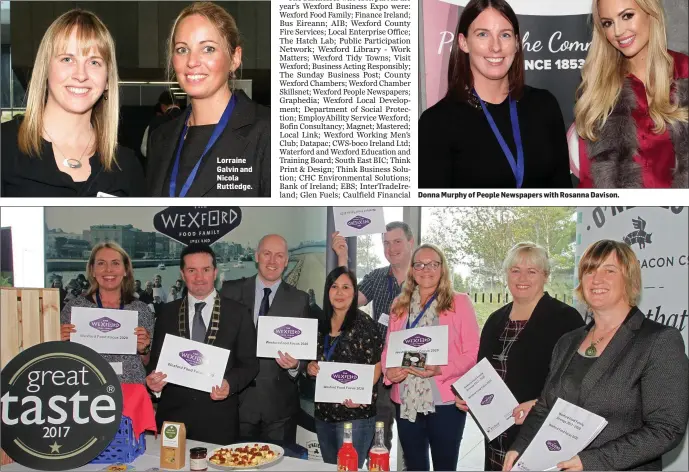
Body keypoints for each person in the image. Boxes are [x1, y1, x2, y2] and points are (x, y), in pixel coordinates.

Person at [504, 240, 689, 471]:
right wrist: (521, 446)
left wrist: (591, 461)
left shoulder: (658, 341)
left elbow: (666, 428)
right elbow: (545, 406)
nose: (596, 279)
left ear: (629, 279)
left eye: (609, 270)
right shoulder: (568, 341)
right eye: (589, 271)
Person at [455, 242, 584, 470]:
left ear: (545, 276)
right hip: (496, 431)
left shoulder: (566, 319)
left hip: (541, 432)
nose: (522, 277)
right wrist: (469, 397)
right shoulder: (495, 320)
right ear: (507, 274)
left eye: (531, 271)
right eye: (515, 270)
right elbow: (481, 373)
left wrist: (539, 404)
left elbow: (579, 382)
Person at [418, 0, 572, 188]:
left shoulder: (545, 105)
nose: (496, 47)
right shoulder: (436, 123)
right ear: (464, 42)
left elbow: (563, 191)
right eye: (483, 34)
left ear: (516, 43)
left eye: (505, 35)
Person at [1, 9, 145, 197]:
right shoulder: (5, 146)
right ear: (45, 70)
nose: (80, 75)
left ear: (108, 79)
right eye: (67, 59)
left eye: (94, 62)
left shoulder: (125, 165)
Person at [147, 1, 270, 197]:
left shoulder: (268, 132)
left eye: (208, 49)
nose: (192, 61)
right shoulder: (161, 138)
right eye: (182, 49)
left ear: (235, 58)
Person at [146, 244, 259, 444]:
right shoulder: (167, 312)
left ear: (215, 272)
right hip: (173, 419)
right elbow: (155, 363)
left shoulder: (238, 313)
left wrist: (229, 384)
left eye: (205, 270)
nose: (199, 278)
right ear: (182, 274)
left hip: (218, 419)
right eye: (192, 270)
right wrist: (154, 384)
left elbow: (250, 365)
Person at [381, 244, 480, 472]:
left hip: (445, 403)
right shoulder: (399, 305)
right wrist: (389, 371)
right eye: (420, 264)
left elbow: (472, 354)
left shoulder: (460, 302)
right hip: (406, 400)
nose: (426, 269)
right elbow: (388, 349)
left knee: (445, 467)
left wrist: (440, 369)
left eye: (433, 264)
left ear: (442, 268)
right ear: (412, 270)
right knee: (415, 466)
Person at [574, 0, 688, 188]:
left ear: (651, 13)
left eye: (627, 16)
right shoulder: (597, 88)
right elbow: (590, 182)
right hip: (620, 216)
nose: (618, 31)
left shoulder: (685, 74)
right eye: (607, 23)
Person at [331, 221, 415, 452]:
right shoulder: (377, 277)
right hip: (383, 370)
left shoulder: (425, 278)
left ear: (411, 242)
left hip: (417, 370)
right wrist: (342, 257)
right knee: (379, 440)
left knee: (414, 444)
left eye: (397, 241)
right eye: (386, 243)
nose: (391, 248)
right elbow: (346, 300)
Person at [221, 234, 309, 445]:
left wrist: (296, 365)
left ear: (286, 261)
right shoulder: (230, 291)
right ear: (256, 256)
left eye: (279, 256)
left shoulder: (300, 299)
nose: (272, 261)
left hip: (279, 408)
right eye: (267, 254)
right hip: (237, 402)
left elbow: (306, 350)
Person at [306, 267, 384, 468]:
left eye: (346, 287)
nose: (339, 293)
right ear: (327, 291)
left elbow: (377, 365)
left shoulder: (365, 324)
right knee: (330, 467)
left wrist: (361, 396)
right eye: (334, 286)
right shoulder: (319, 324)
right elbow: (311, 361)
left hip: (354, 416)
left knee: (349, 468)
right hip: (324, 414)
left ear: (354, 293)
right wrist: (310, 368)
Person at [60, 242, 154, 384]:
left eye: (115, 263)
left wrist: (144, 350)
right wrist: (59, 342)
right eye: (101, 263)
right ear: (92, 270)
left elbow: (147, 363)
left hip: (130, 391)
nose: (108, 270)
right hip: (86, 390)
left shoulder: (141, 310)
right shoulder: (74, 308)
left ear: (125, 270)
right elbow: (61, 360)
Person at [140, 91, 183, 157]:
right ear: (178, 104)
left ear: (162, 106)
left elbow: (144, 149)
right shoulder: (189, 118)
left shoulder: (156, 122)